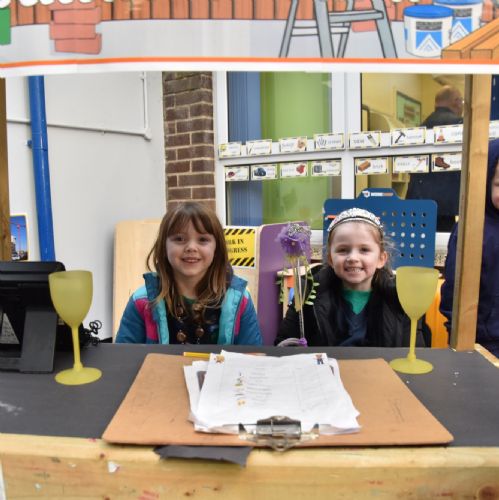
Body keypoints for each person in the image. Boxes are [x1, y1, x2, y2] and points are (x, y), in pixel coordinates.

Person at [275, 208, 428, 347]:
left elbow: (415, 352)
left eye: (364, 249)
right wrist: (292, 348)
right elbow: (283, 343)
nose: (353, 258)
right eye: (343, 250)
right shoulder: (308, 293)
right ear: (330, 259)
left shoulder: (400, 299)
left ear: (381, 259)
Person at [116, 202, 262, 345]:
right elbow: (123, 357)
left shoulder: (240, 300)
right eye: (179, 239)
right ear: (163, 247)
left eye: (203, 239)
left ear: (217, 249)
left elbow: (253, 356)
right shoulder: (141, 301)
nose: (191, 247)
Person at [440, 139, 499, 357]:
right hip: (482, 342)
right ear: (485, 183)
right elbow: (454, 286)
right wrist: (456, 332)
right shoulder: (472, 229)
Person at [406, 85, 464, 232]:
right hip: (446, 208)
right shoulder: (460, 126)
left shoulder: (420, 128)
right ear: (456, 102)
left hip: (417, 205)